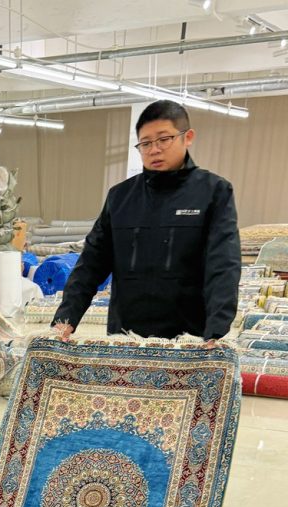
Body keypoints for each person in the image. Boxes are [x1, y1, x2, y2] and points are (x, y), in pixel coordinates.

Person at [52, 100, 240, 346]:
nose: (154, 150)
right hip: (126, 337)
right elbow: (91, 263)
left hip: (189, 339)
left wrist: (216, 332)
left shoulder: (214, 192)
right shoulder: (120, 197)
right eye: (146, 143)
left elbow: (223, 266)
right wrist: (65, 319)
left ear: (188, 137)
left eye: (164, 139)